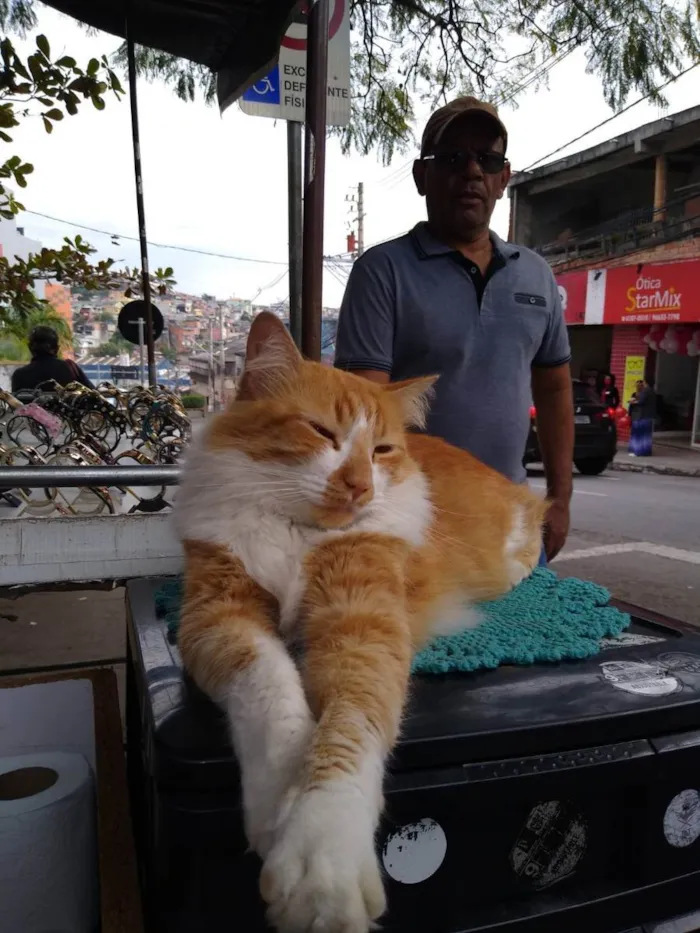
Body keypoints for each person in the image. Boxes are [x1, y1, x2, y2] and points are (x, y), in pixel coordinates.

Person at [334, 96, 574, 562]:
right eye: (452, 158)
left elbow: (554, 390)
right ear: (423, 177)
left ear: (503, 178)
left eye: (486, 159)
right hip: (417, 527)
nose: (471, 171)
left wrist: (560, 500)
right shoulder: (383, 272)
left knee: (536, 635)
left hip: (515, 527)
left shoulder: (535, 275)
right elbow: (364, 411)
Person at [11, 325, 94, 394]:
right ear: (57, 348)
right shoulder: (69, 368)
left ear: (30, 348)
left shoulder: (19, 375)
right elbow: (93, 394)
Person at [628, 379, 656, 457]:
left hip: (642, 416)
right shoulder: (652, 392)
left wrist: (633, 402)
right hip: (649, 416)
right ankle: (646, 451)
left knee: (639, 434)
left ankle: (638, 451)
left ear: (645, 383)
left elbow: (641, 402)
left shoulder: (645, 391)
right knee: (646, 435)